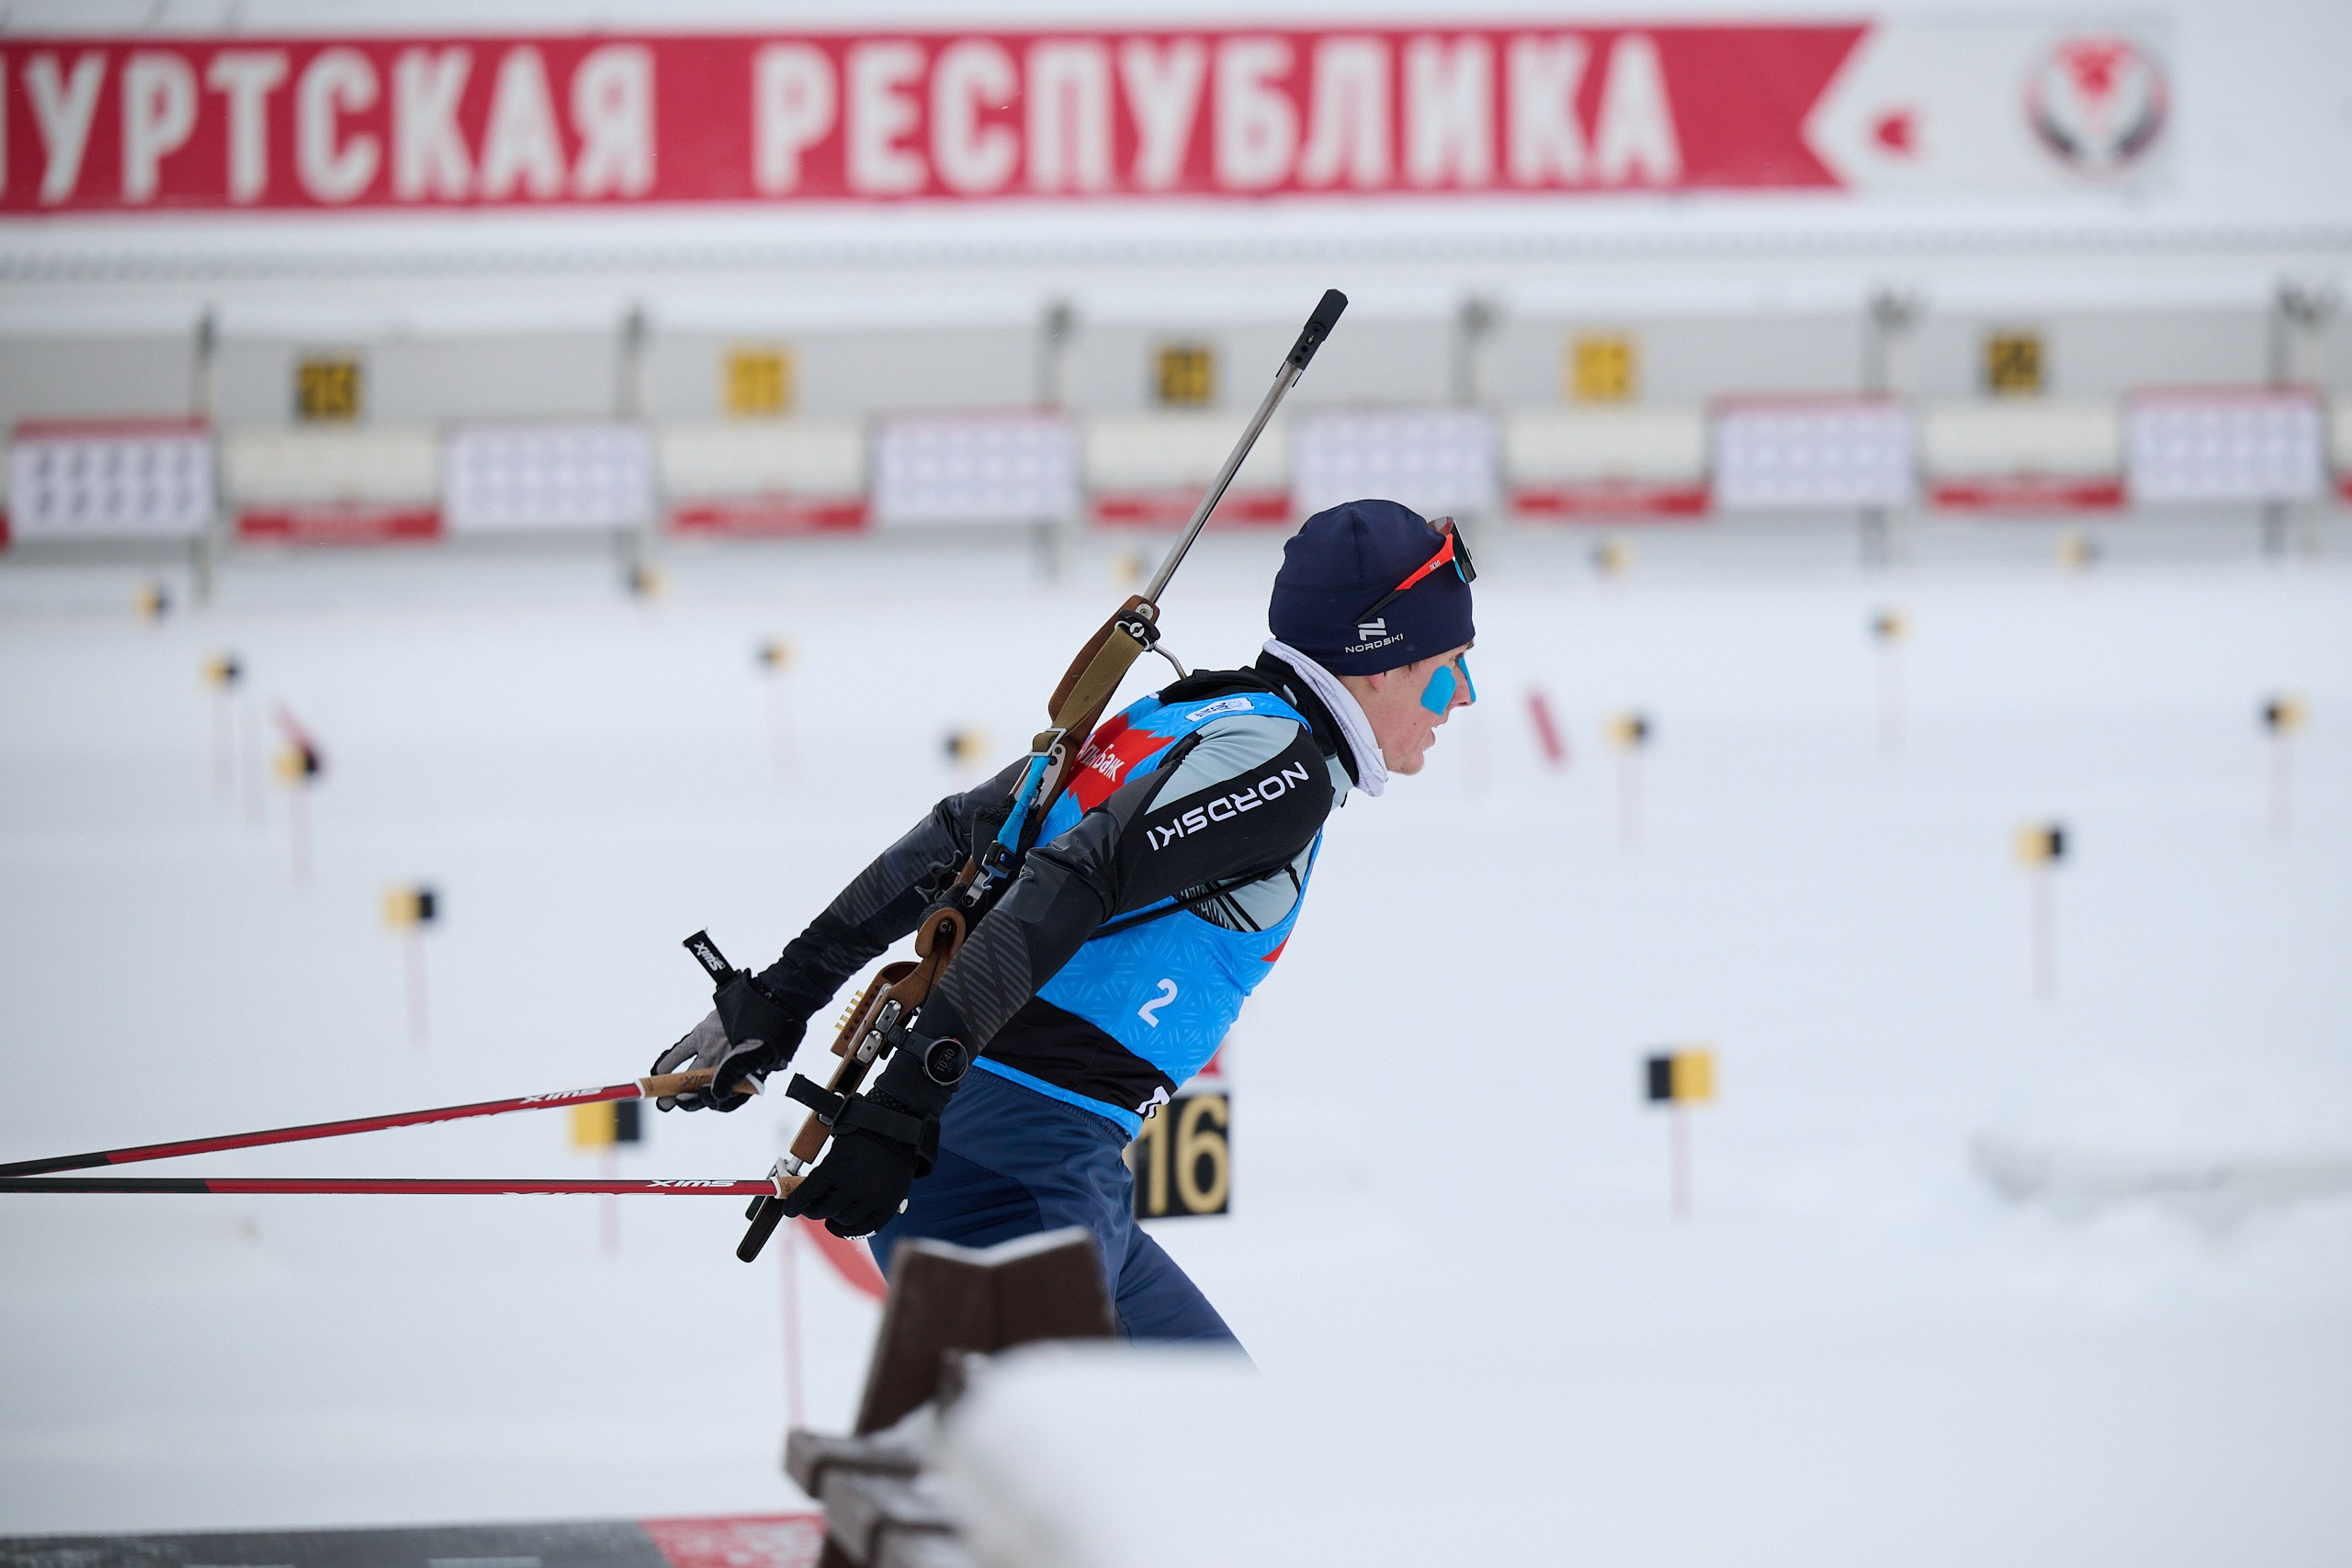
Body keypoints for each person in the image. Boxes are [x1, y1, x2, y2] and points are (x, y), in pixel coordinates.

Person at [652, 499, 1476, 1345]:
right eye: (1449, 670)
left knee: (1226, 1437)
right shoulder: (1283, 770)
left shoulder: (1185, 714)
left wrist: (790, 994)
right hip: (1016, 1174)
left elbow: (959, 836)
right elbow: (1071, 881)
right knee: (1167, 1464)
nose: (1462, 700)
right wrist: (899, 1106)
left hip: (1026, 1163)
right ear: (1381, 660)